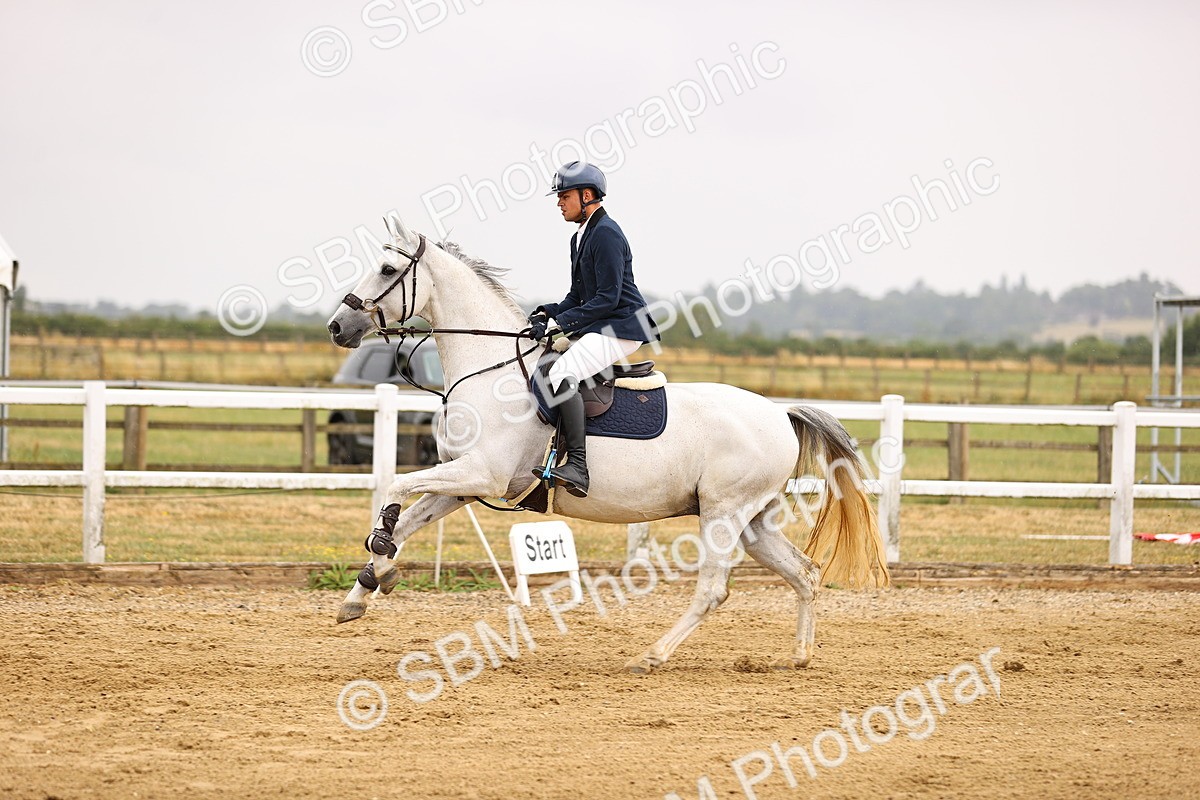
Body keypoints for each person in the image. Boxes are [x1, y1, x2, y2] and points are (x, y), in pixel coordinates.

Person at [527, 161, 658, 498]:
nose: (559, 203)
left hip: (624, 325)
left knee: (562, 371)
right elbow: (578, 296)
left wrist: (560, 324)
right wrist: (548, 312)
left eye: (565, 196)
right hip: (603, 324)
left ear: (587, 195)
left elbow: (607, 297)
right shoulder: (580, 238)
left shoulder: (608, 234)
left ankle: (579, 467)